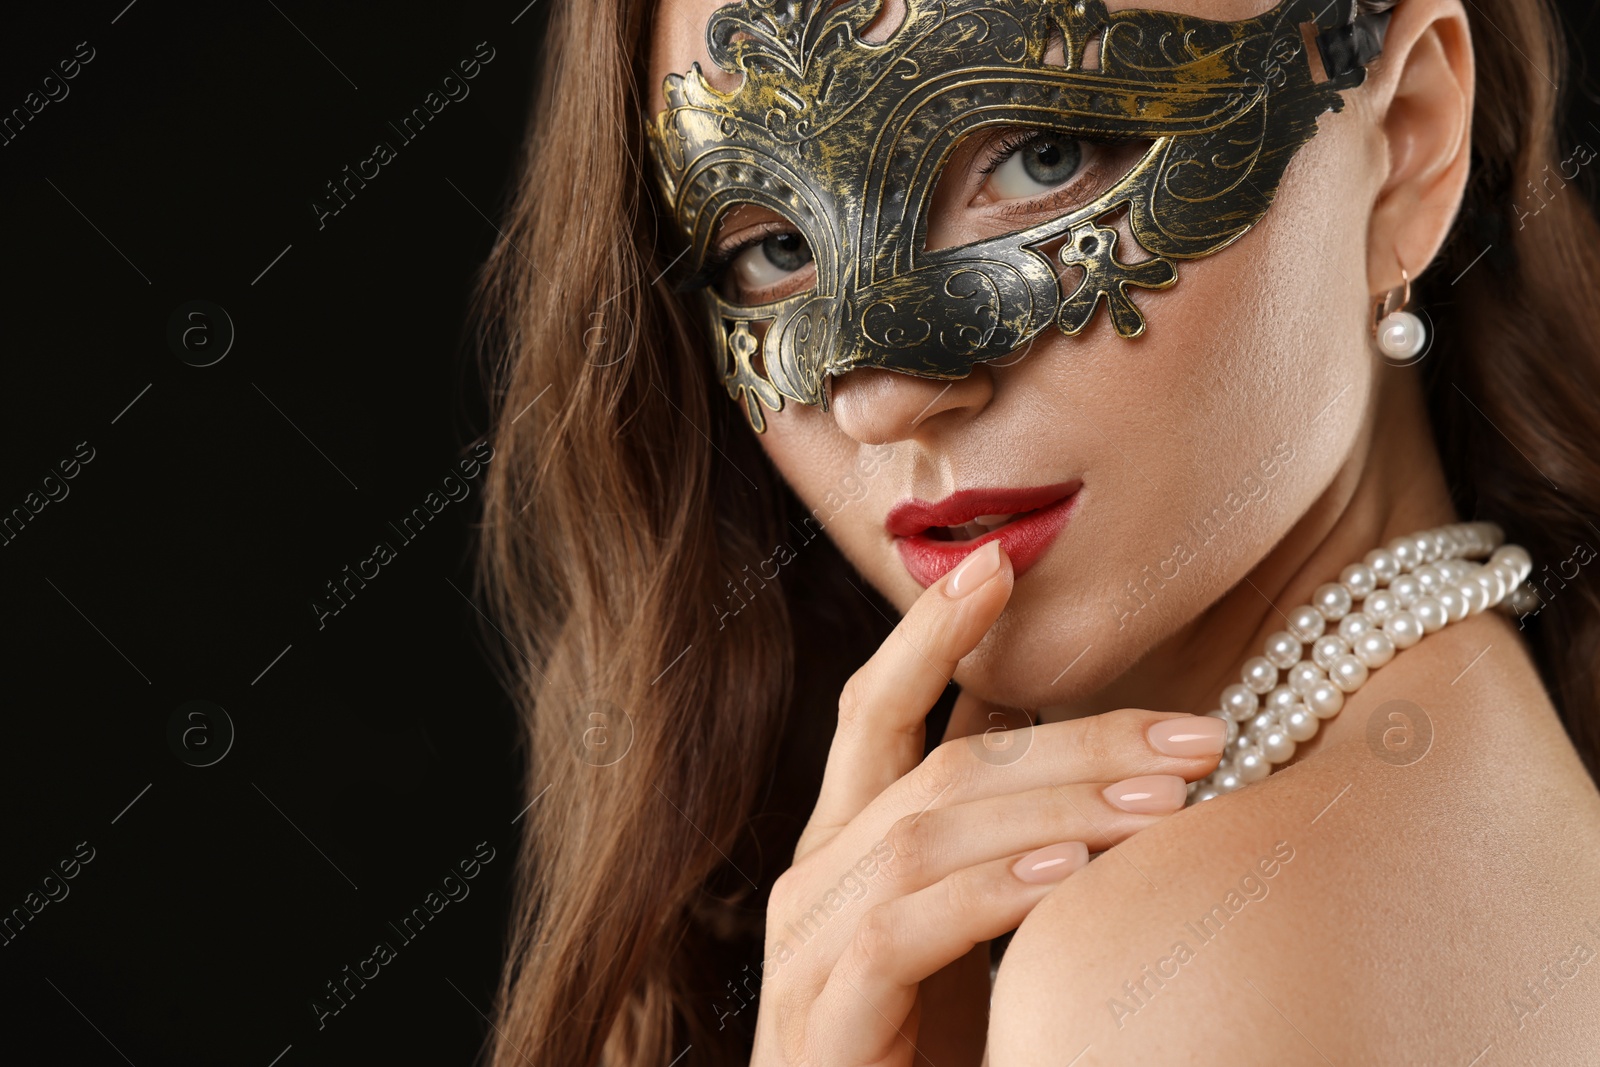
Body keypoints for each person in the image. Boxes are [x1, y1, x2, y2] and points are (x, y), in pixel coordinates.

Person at [471, 0, 1600, 1062]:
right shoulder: (1494, 814)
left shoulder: (1177, 974)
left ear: (1402, 135)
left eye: (1040, 156)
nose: (879, 393)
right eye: (771, 245)